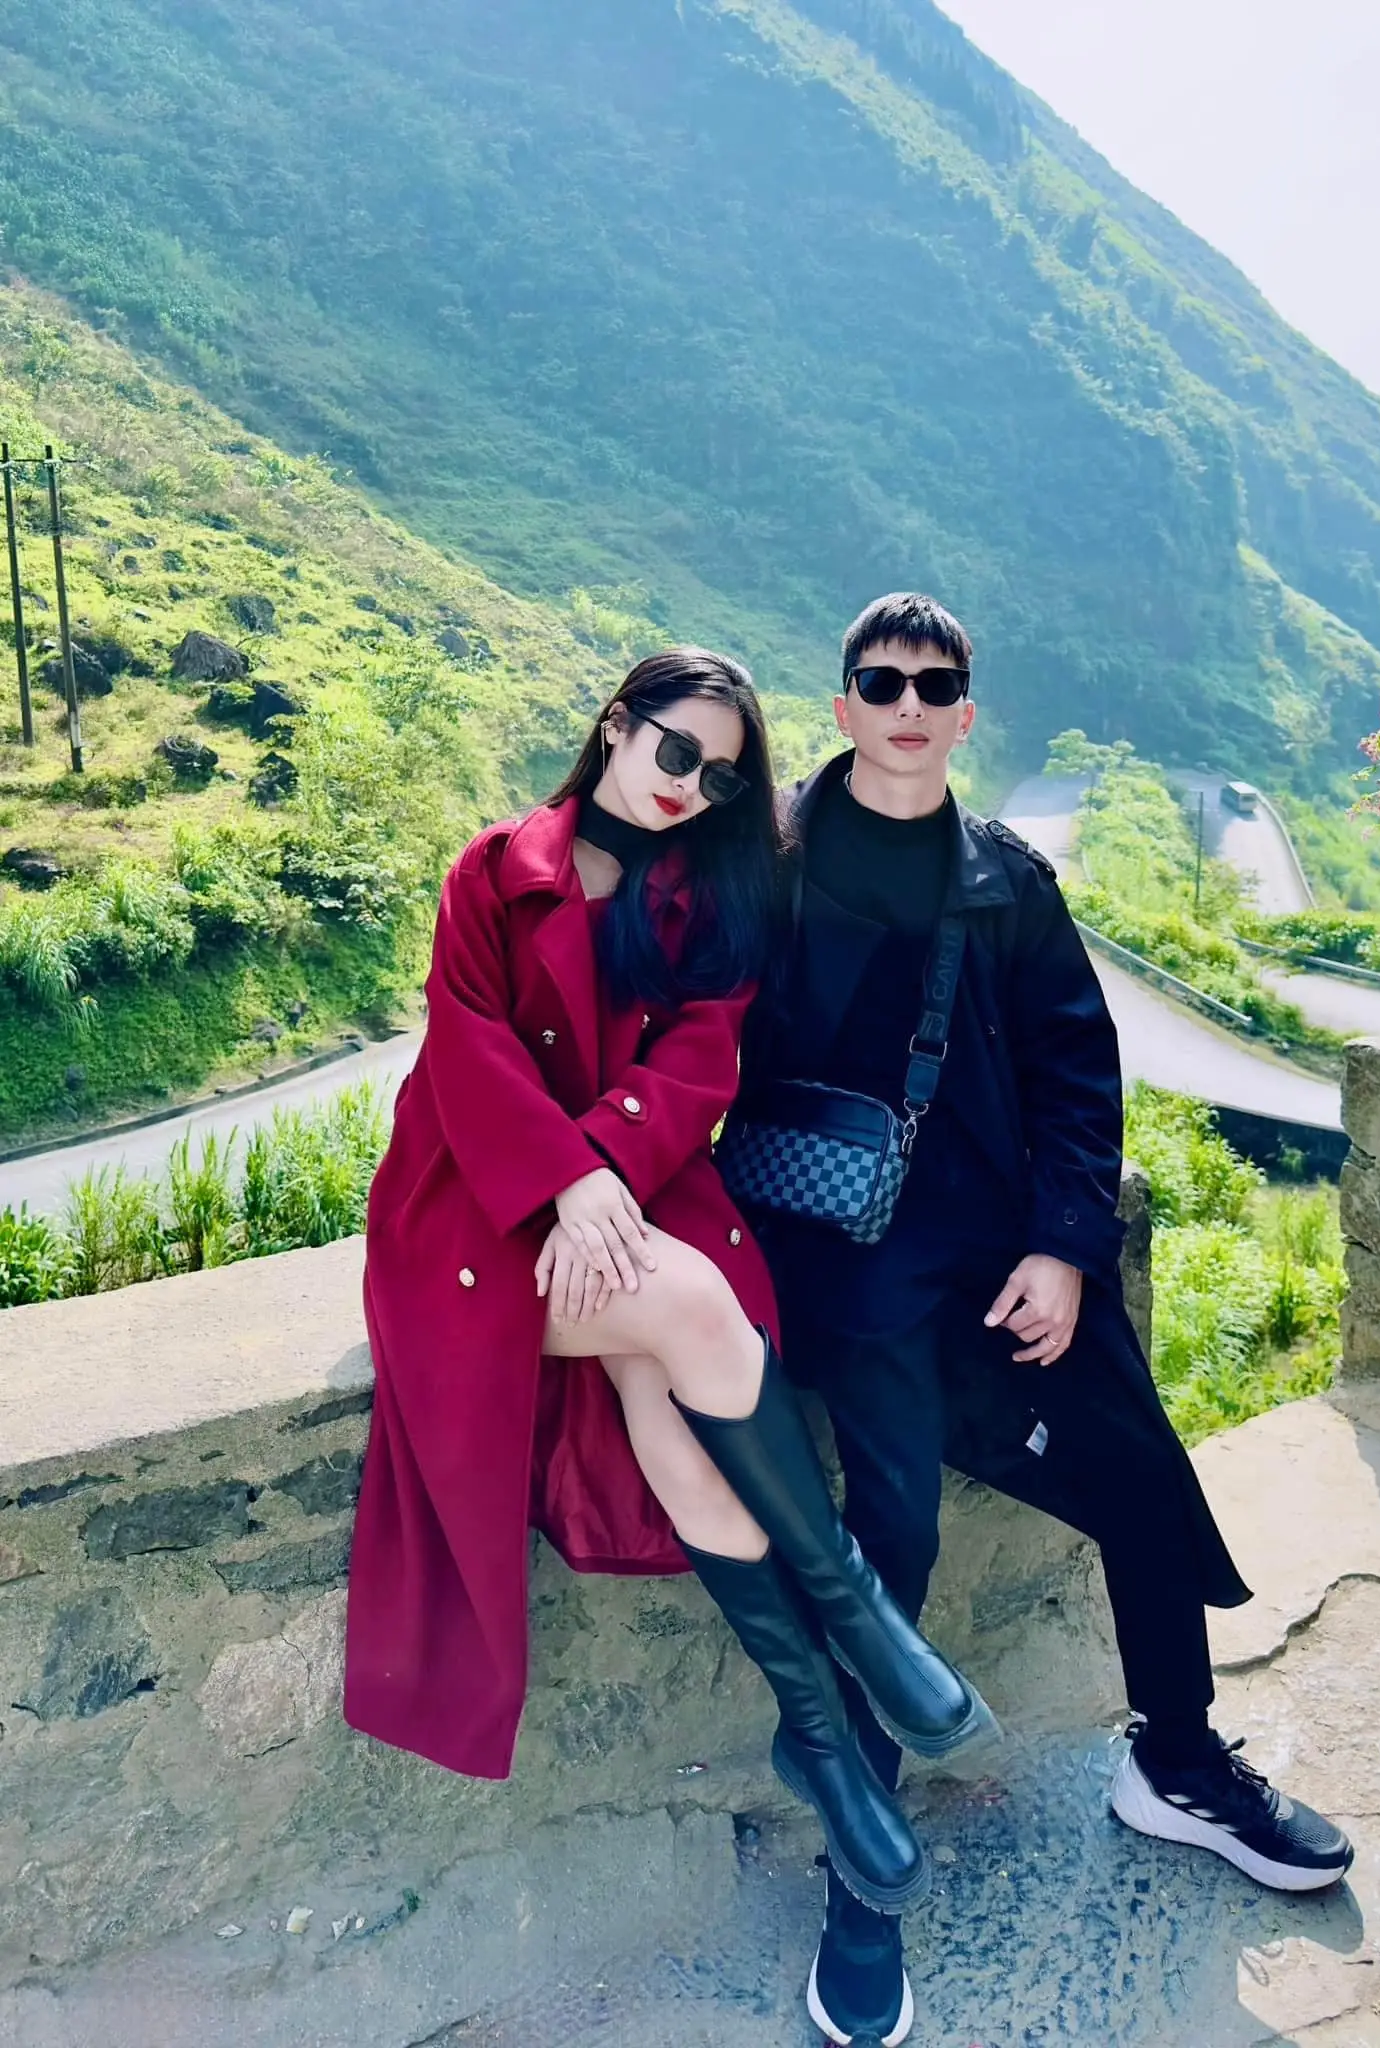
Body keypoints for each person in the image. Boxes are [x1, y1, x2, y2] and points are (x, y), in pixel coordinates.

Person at [737, 594, 1355, 2048]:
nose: (905, 704)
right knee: (892, 1543)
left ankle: (1177, 1759)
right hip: (849, 1271)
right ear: (841, 705)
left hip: (1004, 1253)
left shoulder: (1004, 878)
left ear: (964, 714)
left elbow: (1080, 1071)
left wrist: (1069, 1248)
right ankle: (864, 1875)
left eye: (932, 684)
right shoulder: (769, 861)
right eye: (879, 680)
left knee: (1140, 1469)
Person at [343, 646, 994, 1916]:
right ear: (616, 725)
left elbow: (700, 1066)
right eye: (676, 751)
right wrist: (566, 1177)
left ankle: (819, 1733)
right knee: (693, 1306)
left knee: (671, 1388)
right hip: (470, 1207)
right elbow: (466, 1048)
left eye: (721, 777)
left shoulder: (709, 900)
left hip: (623, 1192)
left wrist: (601, 1172)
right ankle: (860, 1627)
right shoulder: (494, 868)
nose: (688, 786)